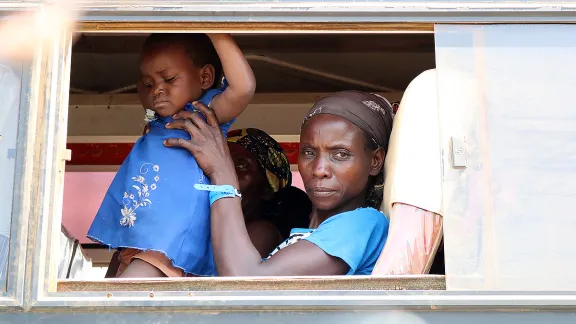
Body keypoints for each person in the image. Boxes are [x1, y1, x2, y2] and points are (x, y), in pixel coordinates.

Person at [164, 90, 394, 276]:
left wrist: (222, 172)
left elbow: (246, 283)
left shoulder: (363, 222)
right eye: (309, 152)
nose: (320, 169)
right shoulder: (313, 232)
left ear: (375, 161)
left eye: (341, 154)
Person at [88, 33, 256, 278]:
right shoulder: (156, 120)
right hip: (138, 238)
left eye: (168, 79)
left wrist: (215, 28)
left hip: (168, 242)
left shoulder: (203, 116)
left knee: (119, 306)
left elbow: (244, 87)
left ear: (205, 77)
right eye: (149, 83)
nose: (157, 89)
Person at [227, 128, 311, 257]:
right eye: (223, 165)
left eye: (242, 166)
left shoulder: (260, 233)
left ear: (268, 188)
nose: (226, 174)